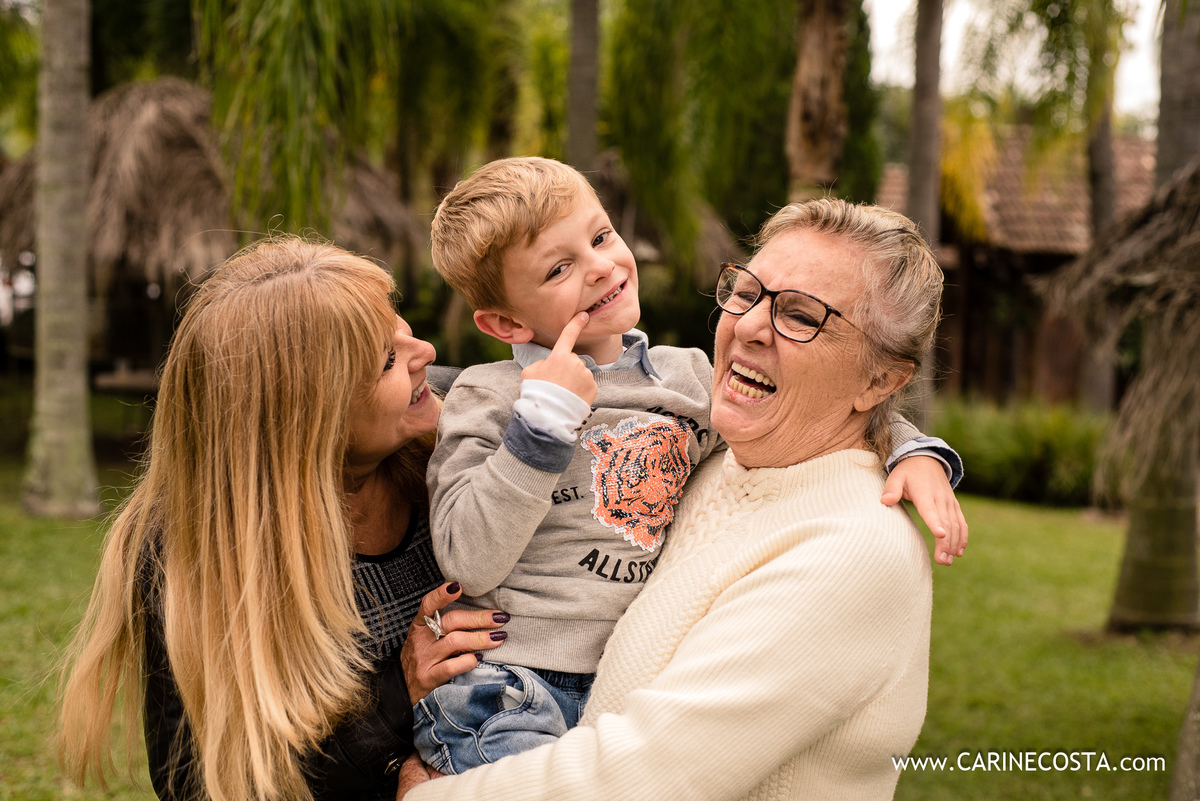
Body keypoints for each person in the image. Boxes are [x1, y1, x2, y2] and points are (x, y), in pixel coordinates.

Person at [414, 159, 966, 776]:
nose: (600, 267)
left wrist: (913, 451)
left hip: (609, 693)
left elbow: (843, 407)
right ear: (506, 323)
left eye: (601, 237)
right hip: (509, 681)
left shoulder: (688, 385)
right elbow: (468, 561)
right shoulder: (491, 399)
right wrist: (538, 429)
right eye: (558, 268)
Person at [57, 239, 508, 801]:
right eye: (387, 361)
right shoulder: (190, 550)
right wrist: (400, 692)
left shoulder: (468, 423)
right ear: (307, 421)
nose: (426, 352)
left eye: (402, 328)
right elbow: (204, 784)